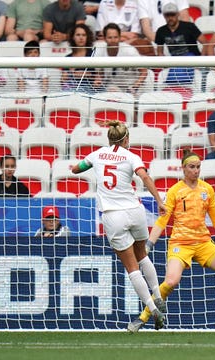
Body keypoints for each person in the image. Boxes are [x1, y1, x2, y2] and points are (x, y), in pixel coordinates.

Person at [127, 149, 215, 332]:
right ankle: (143, 318)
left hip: (204, 243)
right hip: (180, 244)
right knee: (171, 282)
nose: (196, 171)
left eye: (198, 167)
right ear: (183, 168)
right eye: (192, 167)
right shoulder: (175, 191)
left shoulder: (207, 189)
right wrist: (148, 245)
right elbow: (162, 221)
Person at [71, 121, 168, 331]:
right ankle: (158, 296)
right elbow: (145, 177)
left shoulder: (97, 154)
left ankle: (152, 309)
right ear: (126, 139)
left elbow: (75, 169)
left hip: (113, 215)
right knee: (143, 255)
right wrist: (160, 201)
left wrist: (89, 165)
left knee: (131, 267)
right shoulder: (131, 156)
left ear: (108, 139)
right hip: (135, 210)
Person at [94, 22, 147, 95]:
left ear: (119, 38)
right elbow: (100, 73)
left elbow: (144, 71)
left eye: (115, 37)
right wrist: (98, 79)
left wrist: (135, 86)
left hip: (132, 85)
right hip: (113, 86)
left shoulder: (130, 51)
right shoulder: (99, 50)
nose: (113, 40)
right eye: (110, 37)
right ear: (105, 38)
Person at [61, 23, 104, 94]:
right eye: (78, 35)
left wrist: (81, 74)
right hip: (72, 89)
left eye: (84, 35)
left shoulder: (94, 54)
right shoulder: (68, 57)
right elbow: (63, 80)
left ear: (87, 37)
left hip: (91, 90)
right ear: (73, 37)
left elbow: (99, 77)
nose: (81, 38)